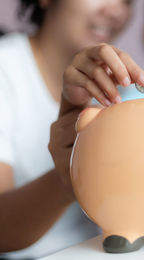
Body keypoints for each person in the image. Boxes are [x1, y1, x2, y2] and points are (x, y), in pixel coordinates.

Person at [0, 0, 134, 258]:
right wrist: (69, 175)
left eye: (128, 1)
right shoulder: (6, 71)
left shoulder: (119, 89)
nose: (116, 11)